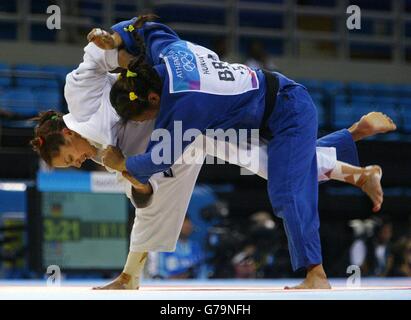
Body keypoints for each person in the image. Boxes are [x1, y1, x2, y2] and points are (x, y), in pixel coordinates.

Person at [30, 17, 395, 289]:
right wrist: (118, 36)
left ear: (64, 132)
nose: (76, 163)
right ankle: (131, 274)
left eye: (68, 157)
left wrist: (103, 45)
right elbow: (148, 28)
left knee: (281, 180)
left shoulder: (82, 97)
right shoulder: (167, 60)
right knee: (271, 164)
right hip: (236, 111)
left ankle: (317, 266)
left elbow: (96, 62)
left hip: (269, 108)